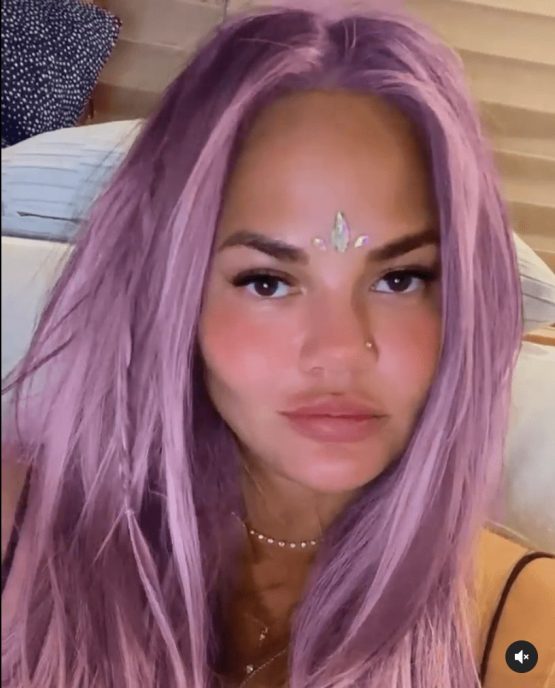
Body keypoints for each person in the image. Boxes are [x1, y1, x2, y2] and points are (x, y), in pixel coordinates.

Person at [1, 2, 554, 687]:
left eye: (400, 278)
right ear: (173, 296)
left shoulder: (522, 634)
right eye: (267, 282)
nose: (340, 350)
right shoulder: (18, 539)